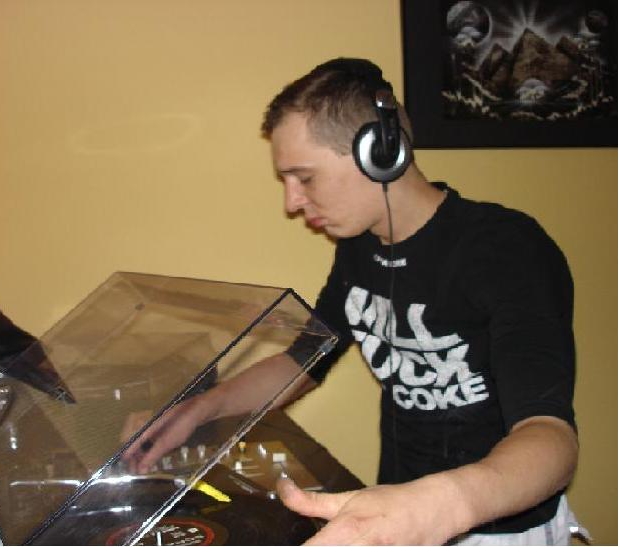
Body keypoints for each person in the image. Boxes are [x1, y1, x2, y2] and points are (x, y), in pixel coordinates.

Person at [124, 58, 582, 545]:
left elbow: (551, 437)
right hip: (397, 512)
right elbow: (303, 361)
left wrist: (444, 504)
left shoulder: (506, 248)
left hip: (496, 526)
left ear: (379, 153)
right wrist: (196, 411)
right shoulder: (357, 249)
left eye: (305, 178)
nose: (291, 203)